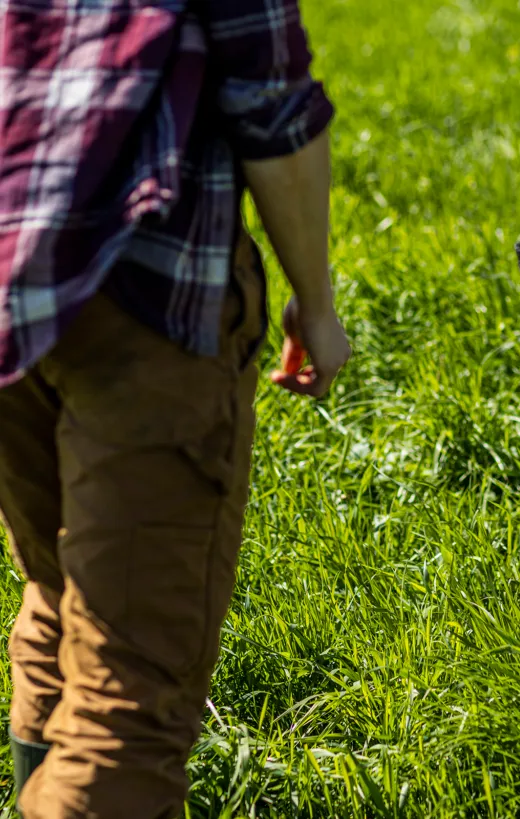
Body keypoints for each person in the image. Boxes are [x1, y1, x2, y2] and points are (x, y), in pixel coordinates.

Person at [0, 1, 351, 815]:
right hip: (146, 288)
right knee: (128, 701)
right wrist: (316, 305)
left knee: (60, 588)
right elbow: (271, 102)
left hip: (9, 285)